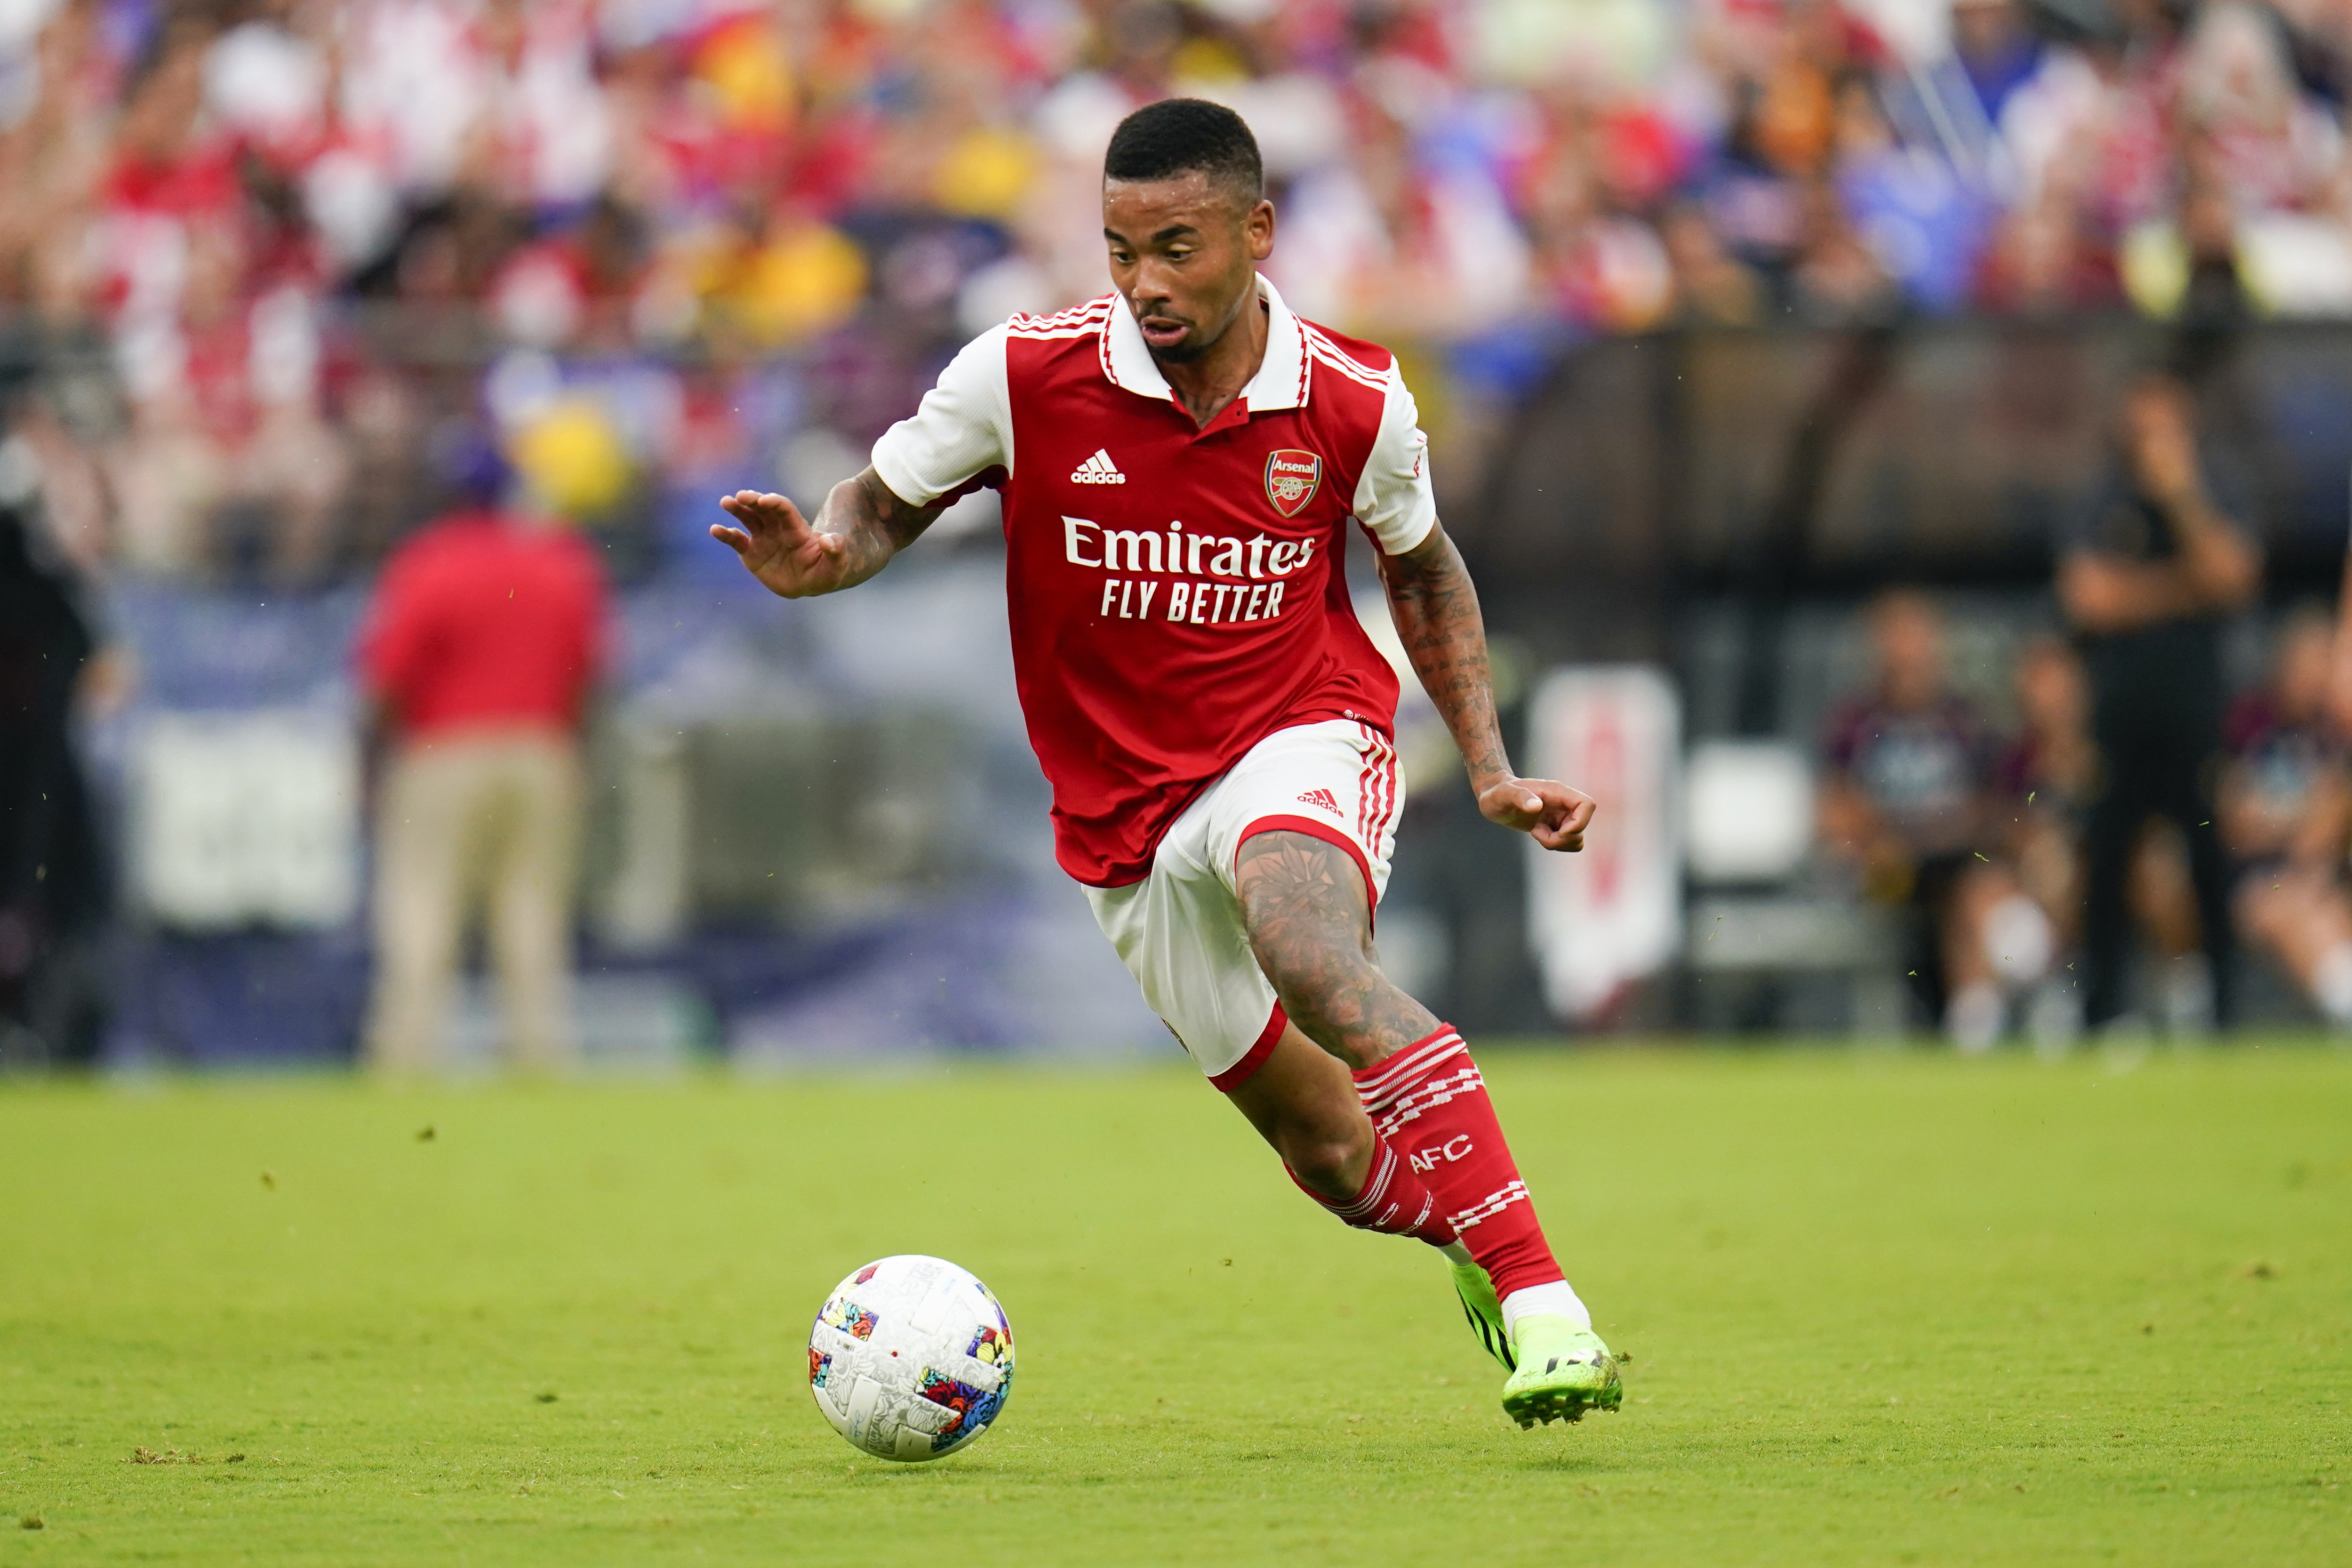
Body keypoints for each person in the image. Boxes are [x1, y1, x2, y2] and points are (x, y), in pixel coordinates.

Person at [712, 101, 1620, 1428]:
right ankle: (1469, 1244)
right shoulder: (1020, 376)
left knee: (1310, 950)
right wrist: (823, 559)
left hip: (1296, 732)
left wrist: (1484, 765)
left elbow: (1420, 565)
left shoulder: (1353, 398)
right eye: (1118, 248)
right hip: (1122, 817)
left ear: (1256, 233)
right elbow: (877, 503)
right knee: (1324, 1148)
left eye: (1175, 247)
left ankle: (1551, 1308)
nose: (1142, 283)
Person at [356, 442, 608, 1073]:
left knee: (423, 911)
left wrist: (368, 762)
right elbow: (592, 674)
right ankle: (538, 1057)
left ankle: (408, 1059)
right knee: (531, 915)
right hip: (542, 749)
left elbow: (385, 682)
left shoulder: (430, 561)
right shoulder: (559, 559)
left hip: (445, 750)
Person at [2058, 370, 2262, 1032]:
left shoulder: (2213, 490)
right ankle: (2101, 1012)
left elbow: (2231, 578)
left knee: (2209, 864)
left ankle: (2222, 1012)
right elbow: (2087, 598)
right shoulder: (2100, 499)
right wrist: (2182, 590)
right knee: (2107, 864)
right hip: (2118, 722)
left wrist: (2182, 498)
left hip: (2194, 720)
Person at [1817, 589, 2013, 1042]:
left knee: (1978, 886)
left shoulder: (1965, 720)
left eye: (1917, 637)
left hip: (1954, 861)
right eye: (1896, 638)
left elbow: (1994, 806)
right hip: (1886, 870)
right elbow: (1836, 811)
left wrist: (1942, 832)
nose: (1908, 651)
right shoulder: (1856, 723)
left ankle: (1977, 1022)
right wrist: (1889, 834)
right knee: (1924, 877)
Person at [2221, 610, 2352, 1027]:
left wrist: (2281, 823)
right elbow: (2233, 820)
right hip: (2257, 882)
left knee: (2317, 908)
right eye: (2301, 662)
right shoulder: (2251, 723)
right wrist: (2302, 821)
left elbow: (2327, 828)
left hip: (2325, 879)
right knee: (2284, 906)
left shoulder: (2338, 735)